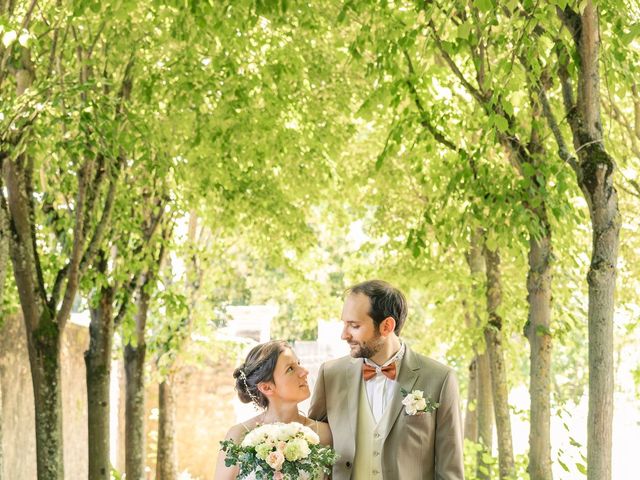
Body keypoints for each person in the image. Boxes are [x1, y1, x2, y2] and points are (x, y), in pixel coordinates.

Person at [309, 280, 464, 480]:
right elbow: (312, 445)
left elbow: (450, 471)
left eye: (354, 326)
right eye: (344, 324)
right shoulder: (330, 375)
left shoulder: (439, 379)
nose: (344, 335)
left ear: (387, 326)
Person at [215, 340, 332, 480]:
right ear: (267, 388)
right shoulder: (239, 435)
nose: (304, 372)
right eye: (290, 369)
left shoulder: (324, 434)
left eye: (298, 364)